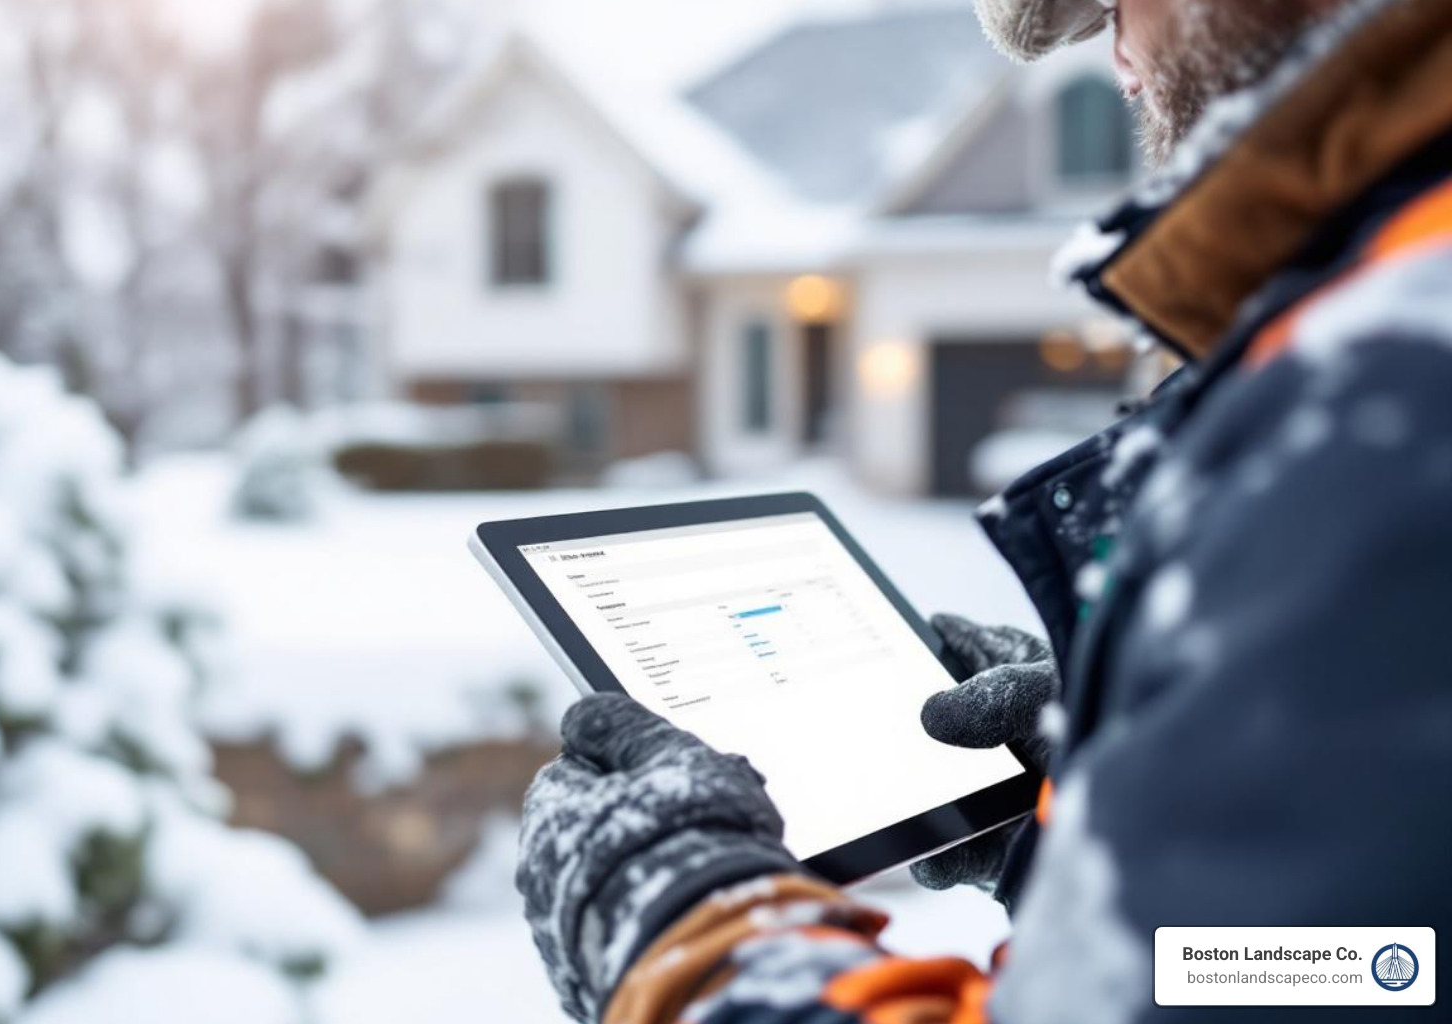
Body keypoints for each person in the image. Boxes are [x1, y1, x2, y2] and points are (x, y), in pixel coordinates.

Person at [517, 0, 1452, 1021]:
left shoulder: (1388, 393)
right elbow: (1367, 967)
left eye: (1116, 6)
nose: (1118, 61)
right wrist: (1124, 800)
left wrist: (688, 934)